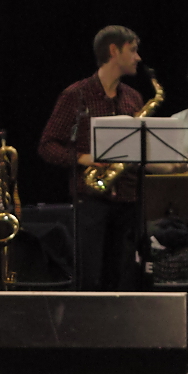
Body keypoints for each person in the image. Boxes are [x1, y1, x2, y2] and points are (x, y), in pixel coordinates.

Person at [38, 25, 147, 286]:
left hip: (128, 199)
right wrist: (82, 158)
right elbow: (47, 145)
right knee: (90, 278)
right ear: (114, 51)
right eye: (132, 50)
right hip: (91, 200)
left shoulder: (133, 98)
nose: (138, 57)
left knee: (121, 279)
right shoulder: (76, 95)